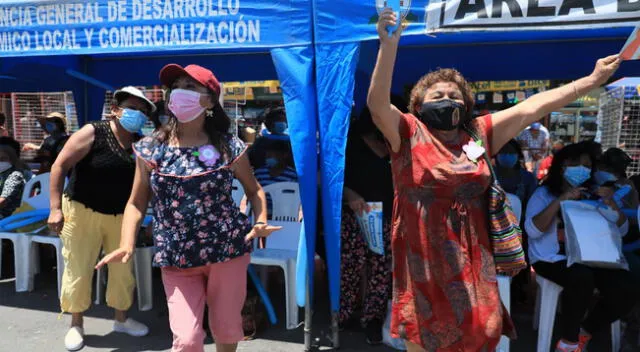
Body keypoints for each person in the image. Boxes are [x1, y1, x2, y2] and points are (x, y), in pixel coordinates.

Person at [367, 9, 621, 351]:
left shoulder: (479, 133)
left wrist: (590, 81)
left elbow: (531, 107)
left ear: (467, 103)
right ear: (418, 105)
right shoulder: (407, 132)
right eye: (437, 96)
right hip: (423, 259)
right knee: (427, 340)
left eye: (454, 95)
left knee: (482, 333)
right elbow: (377, 104)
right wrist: (389, 47)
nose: (447, 100)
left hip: (473, 258)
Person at [96, 64, 280, 352]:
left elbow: (254, 190)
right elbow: (136, 202)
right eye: (177, 86)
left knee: (226, 330)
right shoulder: (150, 148)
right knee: (187, 340)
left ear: (209, 100)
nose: (180, 92)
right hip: (176, 256)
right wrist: (126, 242)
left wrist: (260, 220)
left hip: (227, 251)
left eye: (191, 87)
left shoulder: (228, 146)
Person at [47, 86, 156, 351]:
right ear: (116, 109)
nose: (138, 114)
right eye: (132, 108)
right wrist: (55, 208)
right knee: (79, 268)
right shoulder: (93, 131)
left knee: (122, 271)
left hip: (120, 215)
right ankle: (76, 324)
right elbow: (59, 166)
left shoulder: (139, 144)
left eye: (143, 111)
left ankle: (121, 319)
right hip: (82, 210)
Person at [525, 142, 638, 352]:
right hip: (550, 259)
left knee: (628, 285)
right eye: (575, 163)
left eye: (586, 165)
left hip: (592, 258)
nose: (581, 168)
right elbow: (533, 231)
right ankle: (568, 342)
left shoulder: (594, 194)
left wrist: (613, 206)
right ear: (562, 166)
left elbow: (620, 231)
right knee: (581, 278)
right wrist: (560, 200)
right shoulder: (544, 194)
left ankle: (585, 331)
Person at [339, 98, 403, 345]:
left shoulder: (398, 143)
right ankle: (344, 315)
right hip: (354, 215)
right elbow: (330, 177)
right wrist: (350, 194)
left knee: (380, 271)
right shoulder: (350, 141)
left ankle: (372, 320)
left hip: (387, 217)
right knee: (350, 269)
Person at [253, 139, 298, 218]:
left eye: (272, 155)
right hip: (262, 214)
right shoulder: (259, 173)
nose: (268, 158)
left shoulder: (292, 175)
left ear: (284, 155)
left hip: (285, 215)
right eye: (267, 155)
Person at [0, 144, 26, 219]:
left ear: (12, 160)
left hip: (9, 215)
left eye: (3, 159)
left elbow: (3, 200)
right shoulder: (2, 173)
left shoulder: (15, 175)